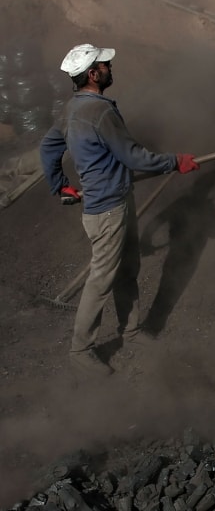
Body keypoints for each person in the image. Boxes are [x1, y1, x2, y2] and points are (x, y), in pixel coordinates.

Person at [40, 43, 200, 376]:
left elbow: (47, 148)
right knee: (101, 279)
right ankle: (80, 350)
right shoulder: (100, 113)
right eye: (105, 65)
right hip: (107, 210)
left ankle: (131, 331)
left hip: (116, 203)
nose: (111, 69)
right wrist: (175, 162)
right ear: (93, 73)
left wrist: (60, 185)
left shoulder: (71, 110)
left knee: (128, 269)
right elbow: (133, 156)